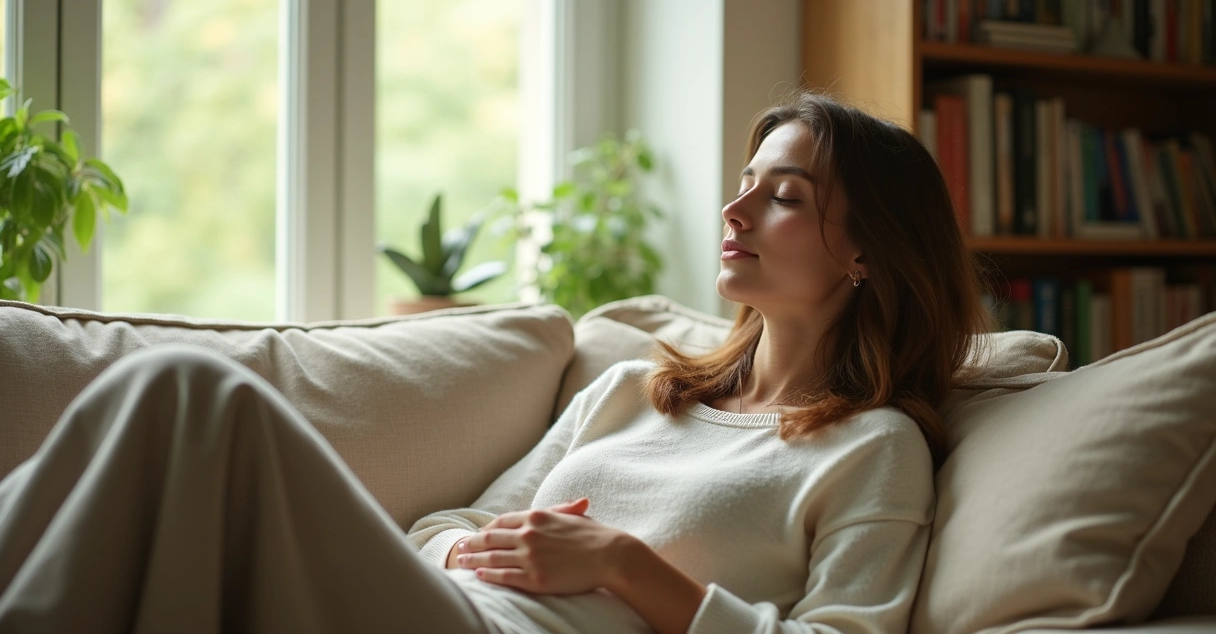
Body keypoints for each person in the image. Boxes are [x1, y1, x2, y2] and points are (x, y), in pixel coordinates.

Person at [0, 90, 990, 634]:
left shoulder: (873, 447)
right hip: (440, 603)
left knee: (190, 392)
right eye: (743, 183)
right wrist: (467, 551)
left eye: (781, 194)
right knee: (163, 422)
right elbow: (449, 520)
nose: (733, 211)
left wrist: (625, 566)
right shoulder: (629, 389)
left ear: (866, 249)